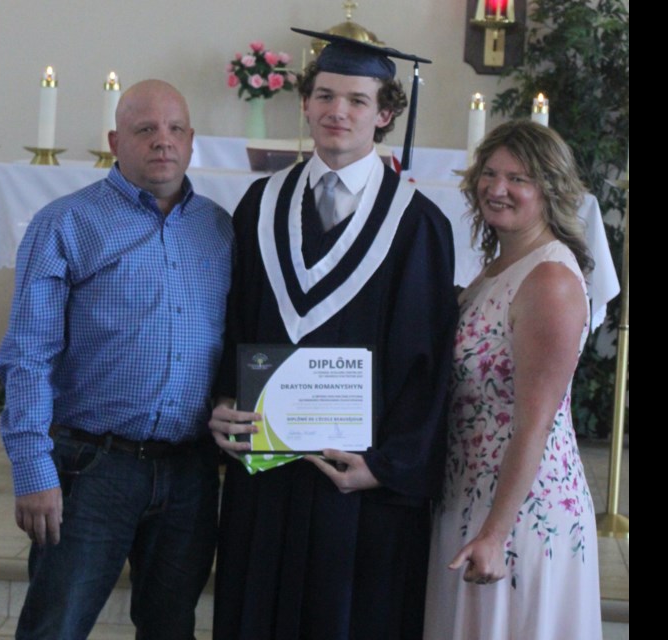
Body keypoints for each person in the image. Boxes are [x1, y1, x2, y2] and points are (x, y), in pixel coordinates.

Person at [209, 28, 458, 640]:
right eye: (324, 95)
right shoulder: (259, 206)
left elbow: (428, 364)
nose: (336, 111)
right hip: (265, 471)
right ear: (305, 103)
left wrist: (387, 465)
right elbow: (232, 322)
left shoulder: (418, 223)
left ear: (385, 114)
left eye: (356, 100)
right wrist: (220, 402)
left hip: (358, 481)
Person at [0, 79, 232, 640]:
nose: (162, 142)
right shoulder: (66, 223)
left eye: (175, 129)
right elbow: (28, 355)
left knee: (171, 628)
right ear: (115, 139)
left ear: (192, 140)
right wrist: (32, 468)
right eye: (144, 129)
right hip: (92, 467)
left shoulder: (220, 230)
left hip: (190, 472)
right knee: (56, 627)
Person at [423, 120, 603, 639]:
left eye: (518, 179)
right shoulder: (500, 266)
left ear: (550, 189)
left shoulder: (550, 279)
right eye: (490, 174)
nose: (496, 189)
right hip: (470, 490)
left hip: (522, 511)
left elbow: (535, 423)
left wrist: (496, 532)